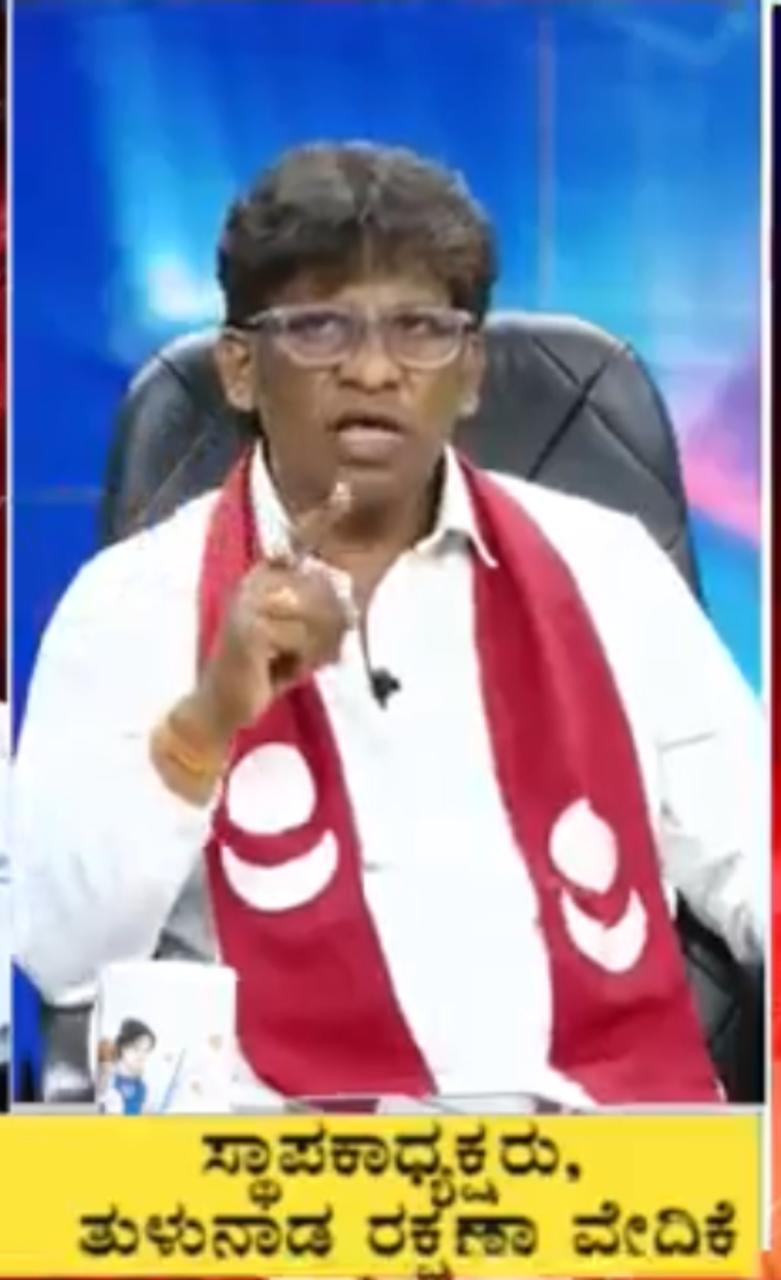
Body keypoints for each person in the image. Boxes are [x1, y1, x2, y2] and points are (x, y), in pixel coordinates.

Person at [13, 142, 765, 1108]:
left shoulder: (610, 570)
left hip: (601, 1157)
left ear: (471, 371)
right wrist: (203, 726)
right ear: (240, 368)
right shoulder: (129, 605)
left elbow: (755, 859)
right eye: (319, 327)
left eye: (419, 329)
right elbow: (62, 955)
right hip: (274, 1171)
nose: (373, 369)